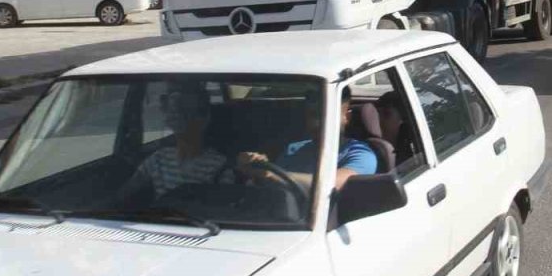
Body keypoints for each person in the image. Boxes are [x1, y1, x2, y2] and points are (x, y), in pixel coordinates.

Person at [239, 87, 376, 190]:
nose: (317, 123)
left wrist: (271, 175)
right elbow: (274, 188)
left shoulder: (360, 153)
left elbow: (335, 184)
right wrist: (256, 167)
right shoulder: (293, 149)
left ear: (347, 117)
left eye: (325, 115)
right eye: (312, 115)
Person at [136, 87, 228, 196]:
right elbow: (121, 198)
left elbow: (223, 208)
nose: (177, 116)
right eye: (174, 112)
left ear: (205, 118)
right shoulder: (158, 158)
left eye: (185, 111)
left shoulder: (219, 166)